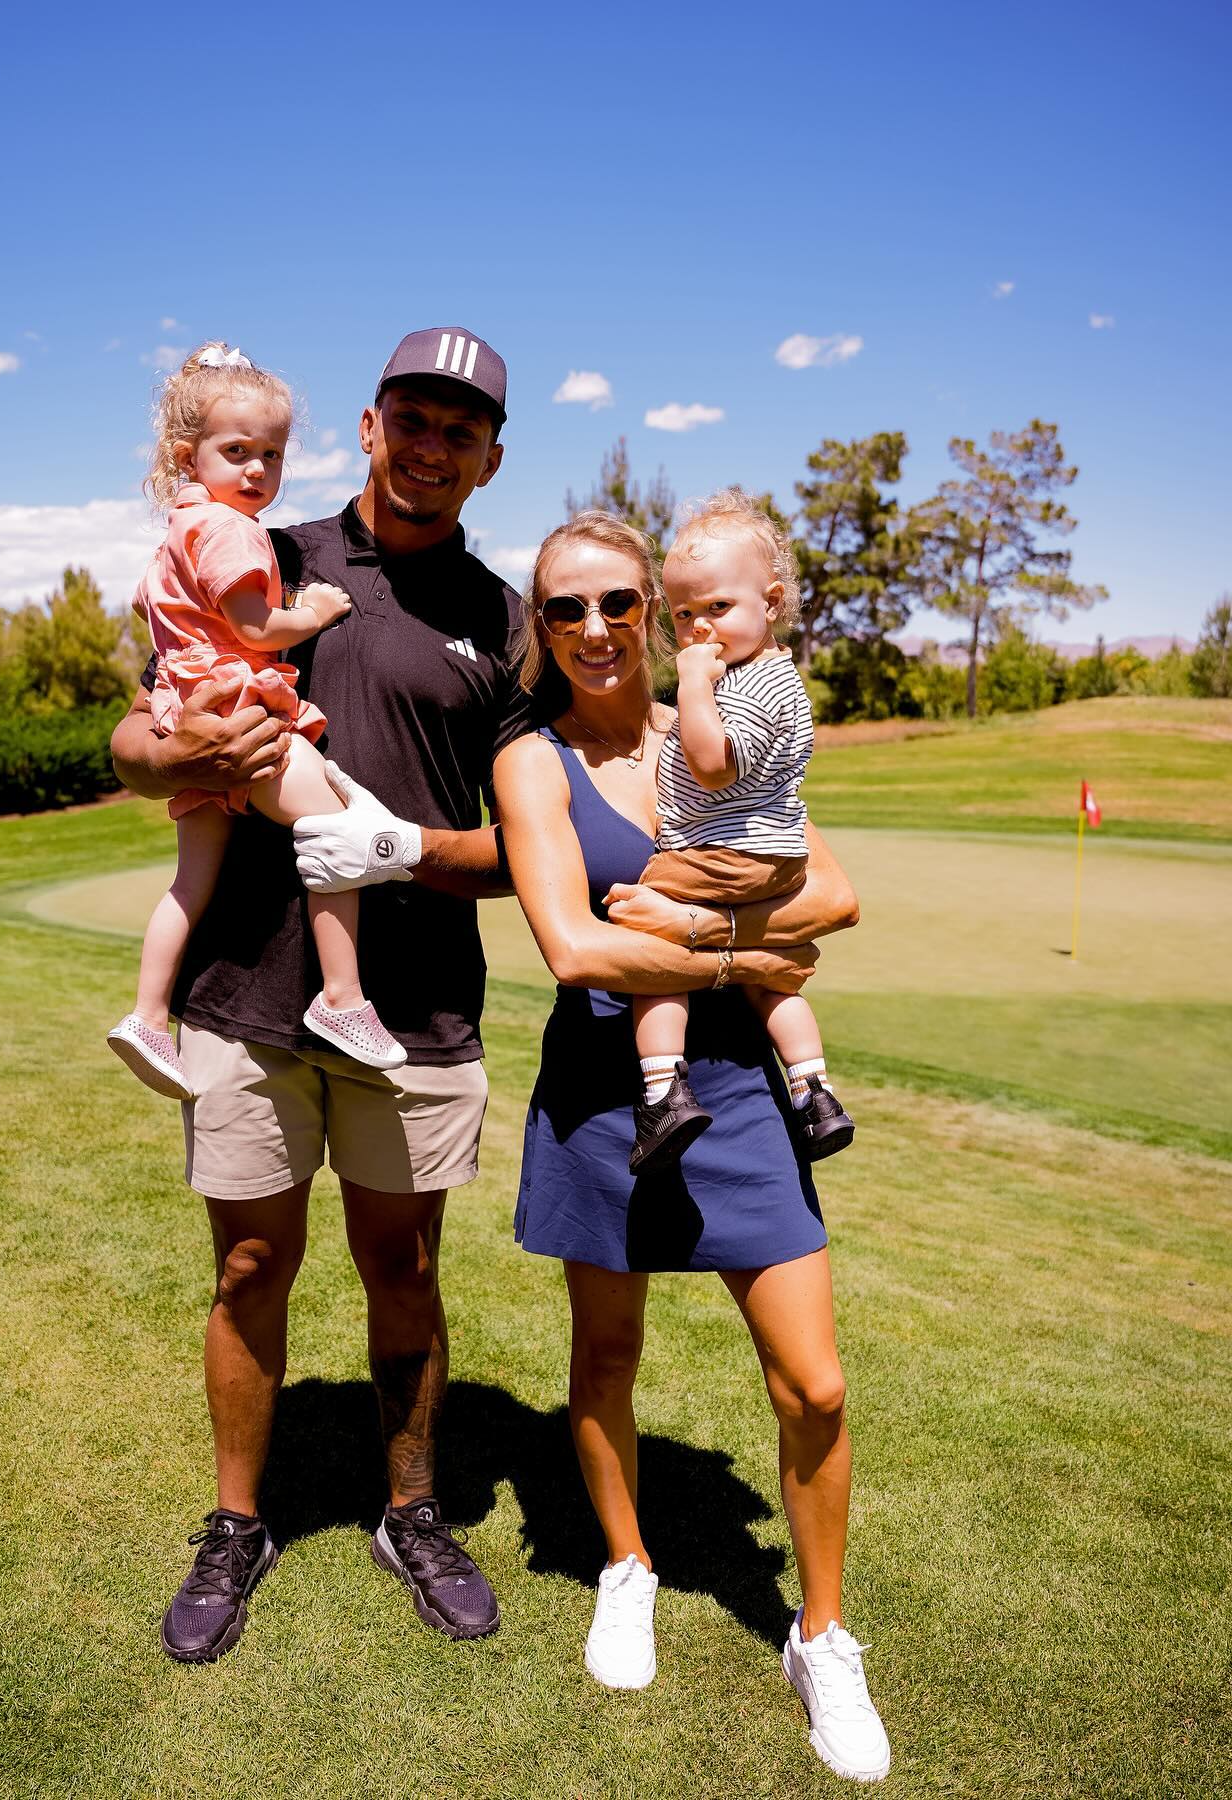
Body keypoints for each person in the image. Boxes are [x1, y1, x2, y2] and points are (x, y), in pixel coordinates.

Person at [110, 327, 527, 1660]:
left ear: (490, 459)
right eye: (414, 416)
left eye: (462, 430)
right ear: (368, 424)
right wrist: (173, 742)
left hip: (415, 1009)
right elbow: (132, 736)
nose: (433, 443)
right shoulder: (262, 547)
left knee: (401, 1266)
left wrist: (406, 846)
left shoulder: (507, 619)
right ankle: (237, 1524)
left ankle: (413, 1510)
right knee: (248, 1267)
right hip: (247, 996)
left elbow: (534, 847)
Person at [494, 511, 891, 1784]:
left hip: (736, 1085)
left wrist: (710, 920)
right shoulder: (531, 760)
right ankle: (625, 1564)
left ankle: (821, 1635)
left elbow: (833, 891)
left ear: (653, 615)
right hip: (606, 1094)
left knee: (816, 1382)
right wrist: (744, 950)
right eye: (568, 609)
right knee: (606, 1350)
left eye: (623, 602)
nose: (599, 629)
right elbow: (575, 947)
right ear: (541, 627)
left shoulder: (706, 732)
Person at [106, 342, 405, 1102]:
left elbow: (163, 615)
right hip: (243, 711)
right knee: (336, 834)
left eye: (270, 454)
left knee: (188, 884)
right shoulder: (234, 531)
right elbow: (253, 628)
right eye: (235, 451)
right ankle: (341, 999)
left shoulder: (178, 529)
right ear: (187, 454)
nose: (255, 471)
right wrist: (315, 610)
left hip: (189, 713)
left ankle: (145, 1015)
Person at [627, 489, 855, 1174]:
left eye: (719, 609)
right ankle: (813, 1089)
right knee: (774, 986)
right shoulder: (769, 675)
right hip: (773, 856)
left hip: (728, 854)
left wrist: (692, 687)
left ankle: (663, 1087)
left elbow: (714, 764)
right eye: (686, 614)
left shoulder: (751, 685)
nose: (701, 631)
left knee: (648, 942)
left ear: (773, 601)